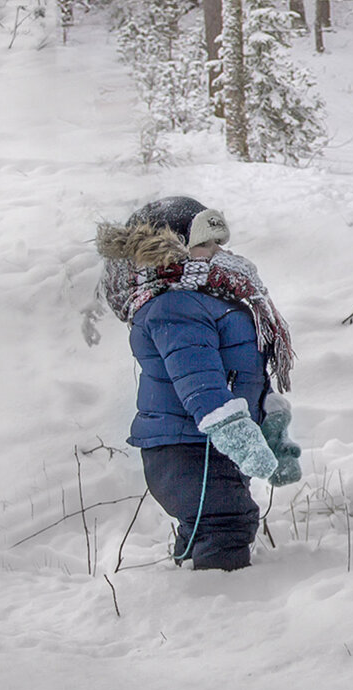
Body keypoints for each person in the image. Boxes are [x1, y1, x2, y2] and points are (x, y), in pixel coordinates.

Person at [96, 196, 302, 570]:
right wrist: (235, 430)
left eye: (219, 242)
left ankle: (195, 598)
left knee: (215, 527)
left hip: (207, 444)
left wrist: (270, 423)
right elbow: (201, 382)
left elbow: (239, 370)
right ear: (172, 245)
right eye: (205, 243)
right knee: (226, 525)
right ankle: (220, 613)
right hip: (185, 446)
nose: (219, 251)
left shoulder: (215, 295)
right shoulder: (174, 305)